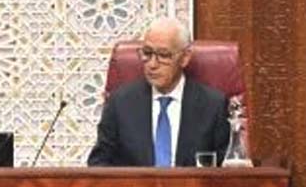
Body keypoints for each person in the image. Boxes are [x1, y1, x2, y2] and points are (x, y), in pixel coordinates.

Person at [87, 17, 230, 167]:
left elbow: (226, 171)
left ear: (185, 58)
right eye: (147, 53)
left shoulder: (213, 106)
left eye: (163, 55)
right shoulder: (120, 103)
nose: (152, 64)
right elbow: (98, 164)